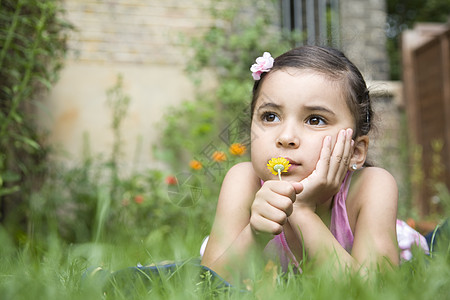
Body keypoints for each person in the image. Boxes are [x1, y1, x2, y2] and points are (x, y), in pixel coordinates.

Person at [200, 45, 428, 284]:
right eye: (270, 116)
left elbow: (375, 290)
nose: (286, 137)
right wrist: (255, 233)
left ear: (355, 151)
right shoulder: (243, 181)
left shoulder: (372, 186)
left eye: (315, 120)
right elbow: (207, 283)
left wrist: (301, 210)